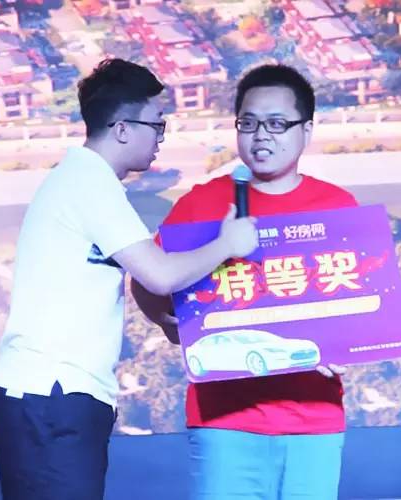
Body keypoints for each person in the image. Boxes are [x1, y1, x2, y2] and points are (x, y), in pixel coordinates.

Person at [0, 58, 258, 500]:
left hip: (50, 397)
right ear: (122, 128)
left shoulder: (83, 179)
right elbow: (159, 274)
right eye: (157, 124)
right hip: (52, 395)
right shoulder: (89, 183)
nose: (161, 138)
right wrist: (228, 243)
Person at [132, 63, 358, 499]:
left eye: (276, 124)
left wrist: (344, 344)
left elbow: (362, 300)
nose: (260, 136)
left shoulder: (338, 206)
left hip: (314, 420)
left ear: (306, 130)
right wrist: (167, 322)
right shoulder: (202, 203)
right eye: (249, 123)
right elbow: (148, 279)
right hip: (225, 420)